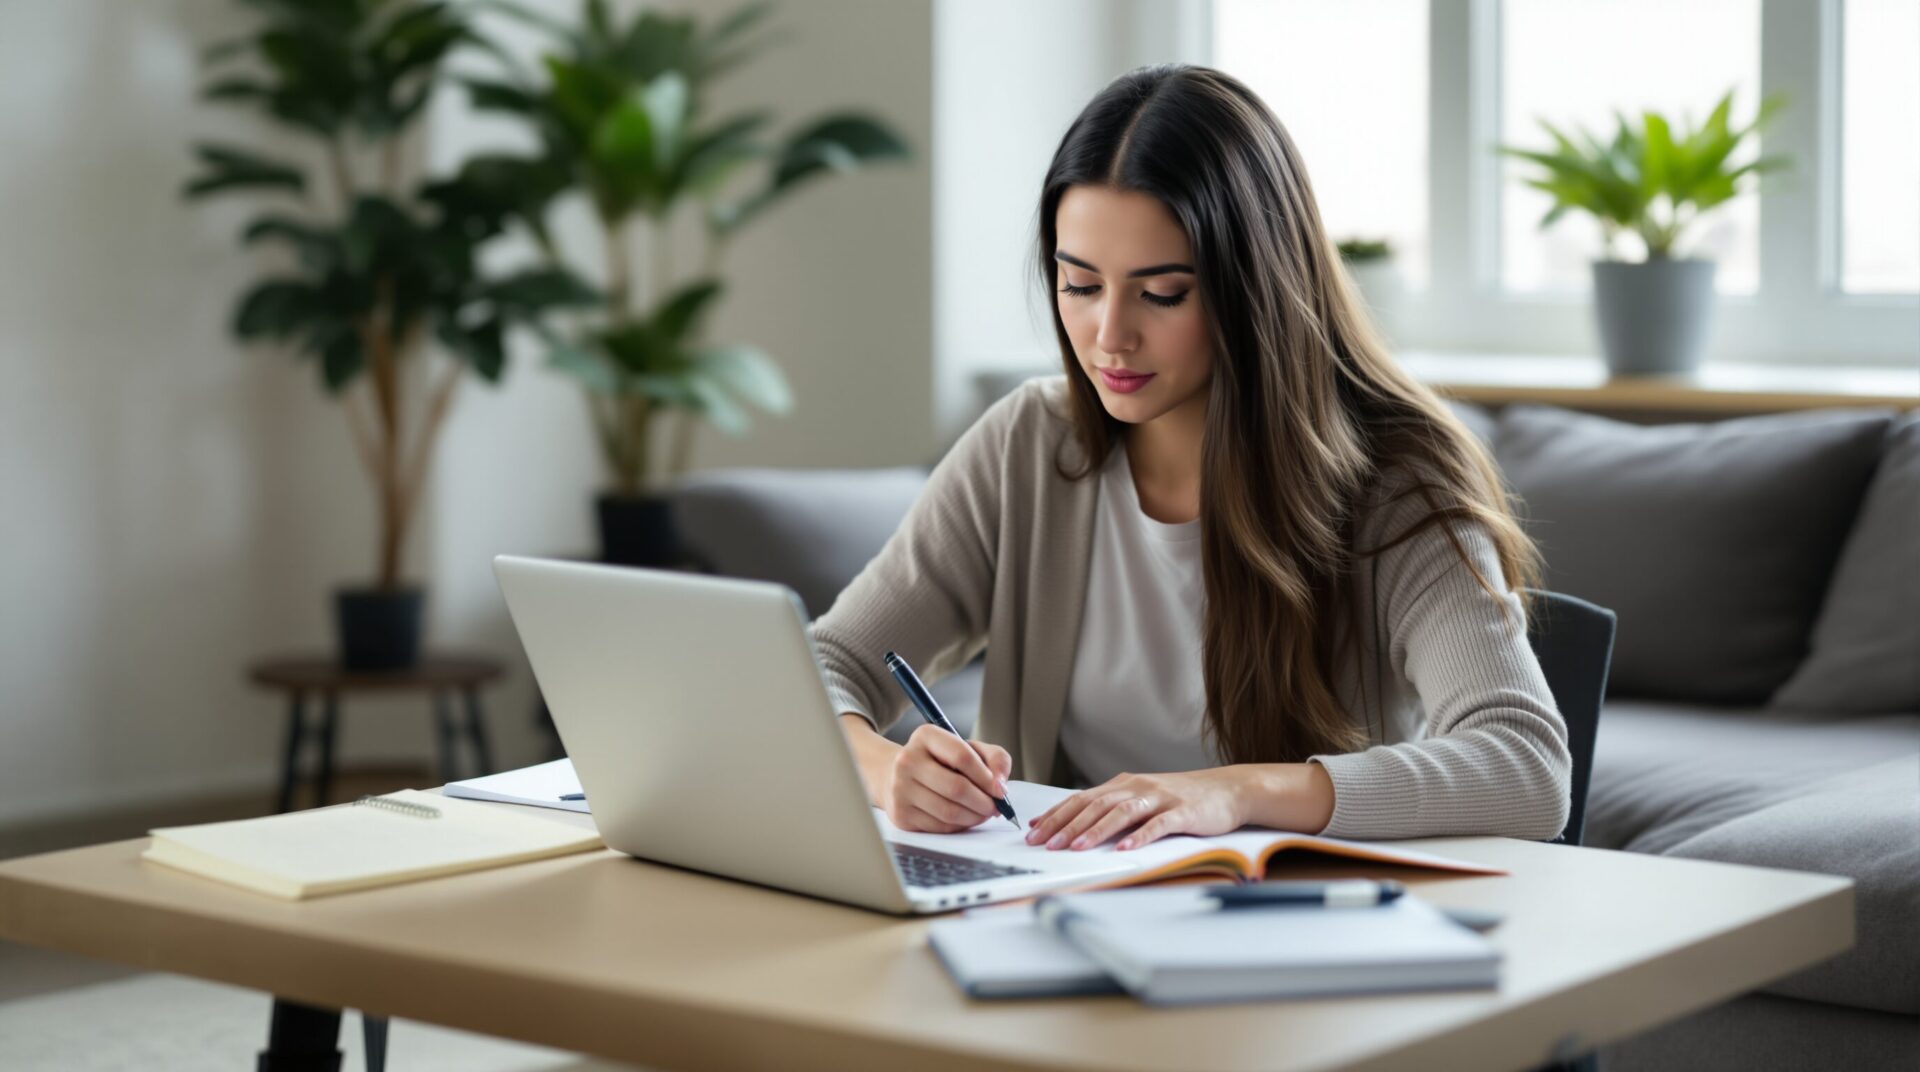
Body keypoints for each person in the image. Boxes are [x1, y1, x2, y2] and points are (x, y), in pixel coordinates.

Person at [810, 63, 1570, 853]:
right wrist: (882, 767)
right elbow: (825, 666)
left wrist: (1235, 794)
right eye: (1079, 284)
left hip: (1295, 929)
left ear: (1255, 287)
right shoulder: (1027, 445)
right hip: (1046, 911)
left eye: (1161, 293)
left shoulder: (1399, 473)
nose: (1110, 334)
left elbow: (1526, 768)